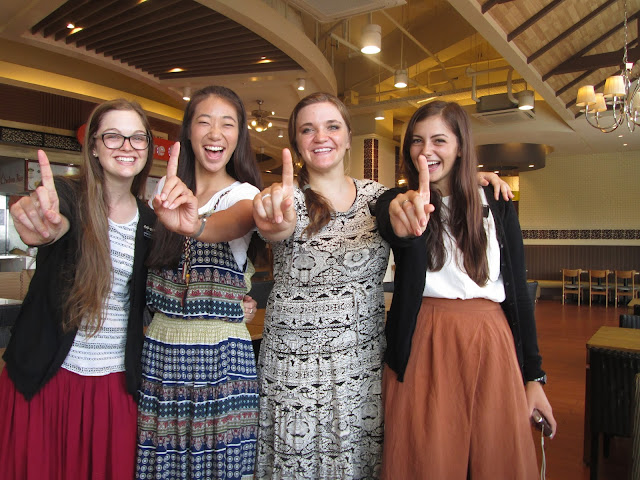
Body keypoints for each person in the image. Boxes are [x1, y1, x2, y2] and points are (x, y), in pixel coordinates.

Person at [252, 92, 513, 479]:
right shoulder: (284, 200)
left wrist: (470, 177)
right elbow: (275, 227)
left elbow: (406, 207)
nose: (321, 136)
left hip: (363, 367)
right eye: (307, 129)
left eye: (332, 126)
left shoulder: (378, 197)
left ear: (348, 136)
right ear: (296, 142)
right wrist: (273, 222)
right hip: (295, 369)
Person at [375, 100, 556, 479]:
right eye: (417, 141)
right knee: (428, 459)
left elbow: (518, 297)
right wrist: (400, 204)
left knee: (495, 456)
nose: (425, 151)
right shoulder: (404, 204)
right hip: (424, 341)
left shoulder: (497, 203)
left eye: (439, 140)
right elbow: (387, 211)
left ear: (460, 147)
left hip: (492, 340)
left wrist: (534, 376)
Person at [0, 99, 156, 479]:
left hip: (115, 384)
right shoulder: (68, 196)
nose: (127, 146)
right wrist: (43, 228)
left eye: (137, 137)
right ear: (94, 147)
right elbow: (55, 221)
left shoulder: (150, 220)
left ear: (147, 148)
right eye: (113, 136)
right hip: (48, 378)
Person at [136, 85, 263, 480]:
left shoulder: (245, 196)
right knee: (164, 461)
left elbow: (236, 221)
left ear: (239, 135)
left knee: (218, 464)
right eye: (204, 122)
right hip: (161, 347)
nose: (215, 133)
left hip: (221, 353)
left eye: (227, 124)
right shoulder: (165, 189)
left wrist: (195, 224)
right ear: (188, 131)